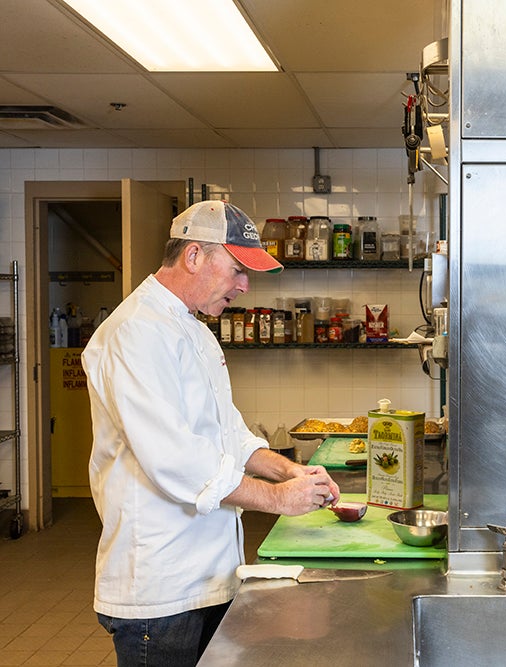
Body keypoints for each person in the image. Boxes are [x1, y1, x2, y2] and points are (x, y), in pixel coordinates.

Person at [82, 200, 340, 666]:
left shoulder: (196, 330)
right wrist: (279, 500)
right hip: (161, 589)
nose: (245, 286)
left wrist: (288, 471)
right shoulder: (135, 332)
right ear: (194, 255)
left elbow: (230, 434)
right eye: (238, 270)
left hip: (212, 578)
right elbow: (175, 460)